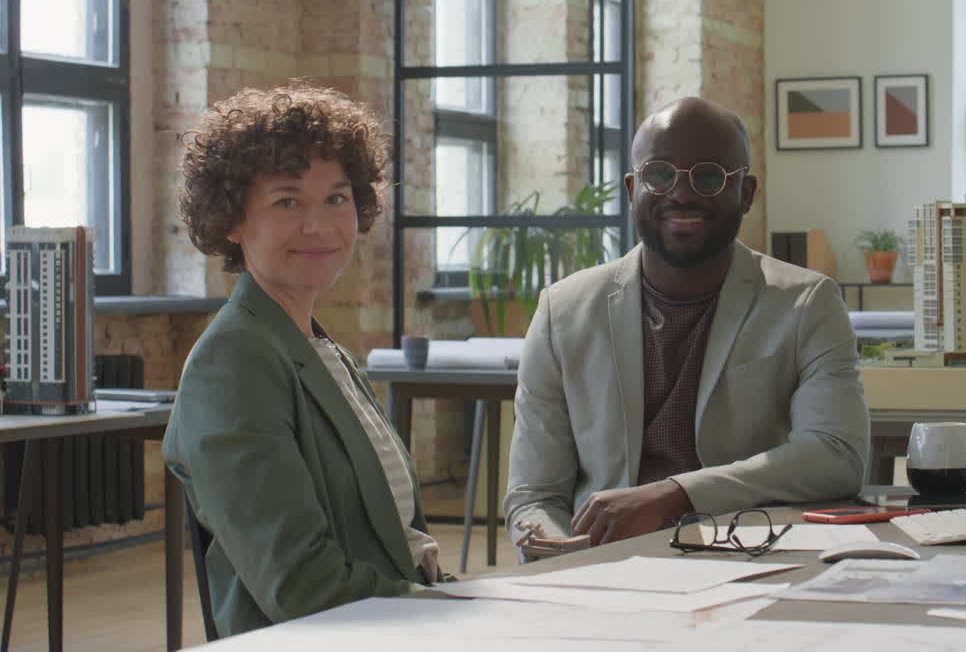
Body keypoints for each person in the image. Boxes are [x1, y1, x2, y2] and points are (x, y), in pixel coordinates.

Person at [504, 97, 869, 548]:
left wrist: (672, 495)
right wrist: (561, 555)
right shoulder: (564, 311)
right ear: (632, 187)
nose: (682, 193)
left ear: (747, 193)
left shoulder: (806, 304)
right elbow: (534, 496)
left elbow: (835, 457)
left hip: (751, 557)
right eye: (659, 174)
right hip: (605, 566)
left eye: (710, 176)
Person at [162, 82, 440, 637]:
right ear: (232, 221)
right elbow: (300, 585)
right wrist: (458, 613)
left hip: (394, 623)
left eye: (336, 198)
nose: (319, 225)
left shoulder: (315, 347)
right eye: (287, 201)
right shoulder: (233, 363)